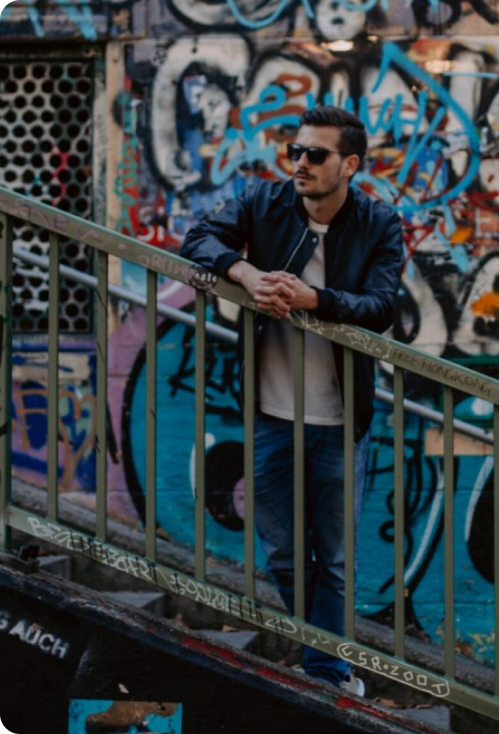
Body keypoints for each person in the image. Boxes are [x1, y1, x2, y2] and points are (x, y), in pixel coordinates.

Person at [181, 106, 404, 693]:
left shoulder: (379, 223)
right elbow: (198, 237)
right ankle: (325, 659)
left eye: (316, 155)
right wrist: (247, 274)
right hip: (273, 415)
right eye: (296, 152)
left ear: (350, 165)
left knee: (332, 560)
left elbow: (382, 306)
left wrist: (315, 299)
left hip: (340, 421)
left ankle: (327, 671)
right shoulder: (264, 202)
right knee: (284, 554)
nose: (300, 163)